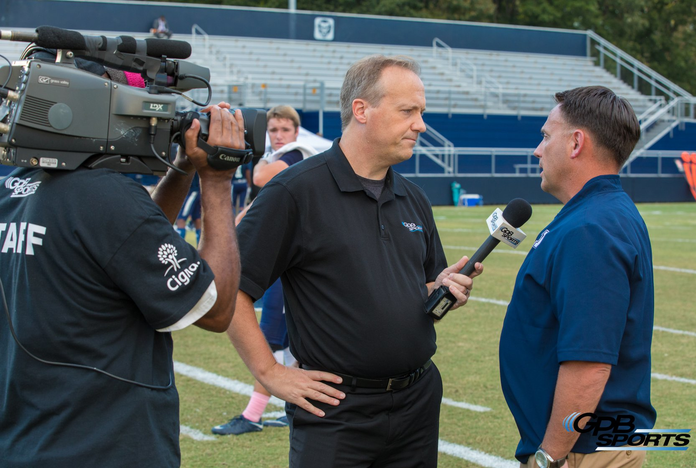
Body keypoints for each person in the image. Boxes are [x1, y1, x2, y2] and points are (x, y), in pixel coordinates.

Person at [226, 55, 482, 467]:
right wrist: (270, 372)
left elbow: (420, 300)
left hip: (418, 400)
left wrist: (443, 289)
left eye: (421, 112)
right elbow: (229, 286)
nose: (421, 125)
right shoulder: (295, 191)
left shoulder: (413, 197)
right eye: (408, 111)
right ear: (361, 110)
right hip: (336, 412)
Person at [0, 49, 244, 466]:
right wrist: (218, 180)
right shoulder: (104, 196)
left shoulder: (16, 189)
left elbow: (124, 250)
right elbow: (216, 310)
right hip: (103, 444)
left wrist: (183, 167)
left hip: (28, 438)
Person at [499, 86, 656, 468]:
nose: (538, 150)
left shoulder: (592, 228)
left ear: (575, 143)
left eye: (545, 136)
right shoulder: (597, 212)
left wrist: (549, 456)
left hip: (583, 450)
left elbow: (589, 363)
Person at [213, 105, 318, 436]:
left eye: (284, 130)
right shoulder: (286, 156)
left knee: (271, 336)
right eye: (273, 130)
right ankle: (296, 409)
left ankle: (252, 415)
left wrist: (260, 155)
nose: (278, 136)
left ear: (296, 133)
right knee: (289, 341)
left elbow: (260, 177)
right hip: (290, 258)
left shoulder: (294, 156)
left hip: (288, 260)